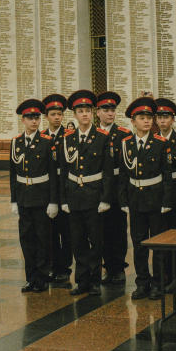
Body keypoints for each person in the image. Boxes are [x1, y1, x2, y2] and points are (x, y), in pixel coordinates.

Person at [118, 97, 176, 300]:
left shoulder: (160, 143)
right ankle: (142, 282)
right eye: (142, 118)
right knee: (139, 244)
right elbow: (123, 176)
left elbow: (167, 174)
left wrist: (167, 202)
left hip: (156, 198)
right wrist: (123, 201)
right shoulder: (126, 144)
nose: (147, 122)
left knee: (158, 244)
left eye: (149, 118)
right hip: (135, 199)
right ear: (133, 122)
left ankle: (158, 283)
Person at [56, 90, 114, 296]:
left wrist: (106, 199)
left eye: (88, 111)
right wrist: (63, 200)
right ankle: (82, 281)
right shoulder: (67, 139)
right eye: (81, 111)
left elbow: (108, 171)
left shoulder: (102, 137)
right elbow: (63, 171)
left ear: (93, 113)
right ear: (75, 115)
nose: (85, 115)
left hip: (94, 196)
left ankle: (95, 280)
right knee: (77, 241)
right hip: (74, 196)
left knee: (96, 241)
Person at [10, 99, 59, 293]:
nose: (34, 121)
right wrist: (14, 199)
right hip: (23, 197)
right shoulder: (16, 142)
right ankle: (30, 278)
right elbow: (13, 173)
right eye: (30, 118)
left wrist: (53, 201)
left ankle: (42, 277)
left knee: (42, 239)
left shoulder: (47, 142)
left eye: (37, 118)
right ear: (23, 120)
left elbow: (54, 174)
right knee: (26, 239)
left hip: (41, 197)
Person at [96, 91, 129, 286]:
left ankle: (118, 268)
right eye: (106, 110)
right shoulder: (93, 133)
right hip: (97, 189)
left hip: (117, 189)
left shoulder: (123, 134)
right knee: (99, 231)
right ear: (97, 112)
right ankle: (106, 266)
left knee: (117, 230)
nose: (110, 114)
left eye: (112, 110)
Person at [154, 97, 176, 286]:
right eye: (160, 117)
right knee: (160, 236)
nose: (163, 121)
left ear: (173, 120)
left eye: (167, 117)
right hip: (157, 195)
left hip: (175, 195)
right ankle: (162, 275)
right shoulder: (154, 141)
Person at [42, 93, 72, 286]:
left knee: (67, 231)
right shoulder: (42, 136)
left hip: (66, 189)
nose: (57, 117)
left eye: (59, 114)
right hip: (47, 190)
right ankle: (52, 265)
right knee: (49, 231)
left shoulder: (69, 136)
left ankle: (65, 268)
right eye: (53, 114)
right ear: (47, 116)